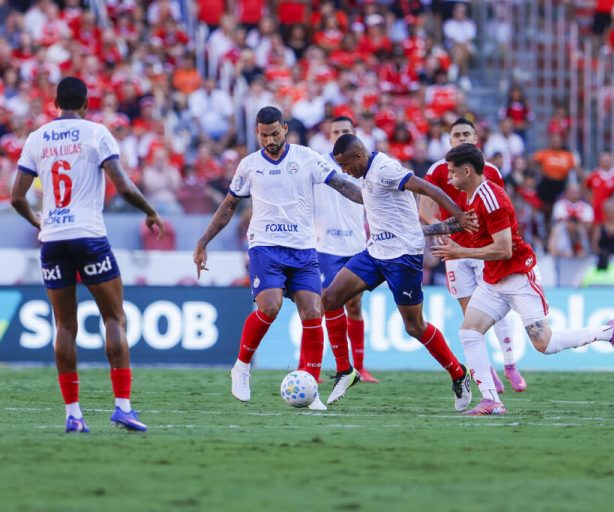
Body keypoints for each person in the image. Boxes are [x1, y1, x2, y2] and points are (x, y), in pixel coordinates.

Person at [433, 144, 614, 416]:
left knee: (546, 344)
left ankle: (608, 332)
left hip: (518, 275)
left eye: (452, 172)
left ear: (467, 171)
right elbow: (465, 228)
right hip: (493, 279)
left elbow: (504, 249)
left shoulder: (492, 198)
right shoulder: (472, 197)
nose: (448, 177)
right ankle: (492, 400)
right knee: (469, 332)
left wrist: (460, 252)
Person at [10, 77, 165, 433]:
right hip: (89, 236)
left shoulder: (37, 138)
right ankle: (122, 407)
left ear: (55, 103)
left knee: (64, 326)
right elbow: (123, 186)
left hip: (53, 239)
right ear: (85, 104)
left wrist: (39, 221)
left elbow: (16, 197)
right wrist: (150, 211)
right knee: (114, 318)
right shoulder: (96, 133)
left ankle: (73, 414)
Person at [193, 106, 367, 411]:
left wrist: (373, 200)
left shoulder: (307, 158)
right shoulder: (249, 165)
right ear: (257, 132)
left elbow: (342, 185)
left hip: (303, 249)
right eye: (263, 134)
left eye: (275, 133)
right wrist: (203, 241)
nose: (270, 140)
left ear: (284, 129)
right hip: (266, 247)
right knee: (270, 306)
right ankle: (241, 367)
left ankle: (311, 389)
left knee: (314, 312)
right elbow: (229, 206)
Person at [321, 133, 478, 410]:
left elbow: (426, 188)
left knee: (414, 327)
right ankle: (346, 370)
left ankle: (458, 373)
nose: (345, 170)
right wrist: (332, 180)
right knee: (331, 298)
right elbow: (363, 196)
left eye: (345, 165)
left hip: (403, 257)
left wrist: (458, 213)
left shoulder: (386, 169)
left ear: (358, 156)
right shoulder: (366, 175)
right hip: (374, 253)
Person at [420, 117, 527, 392]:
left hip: (483, 250)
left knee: (497, 308)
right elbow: (424, 208)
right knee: (471, 314)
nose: (462, 138)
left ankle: (510, 364)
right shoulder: (438, 170)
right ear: (450, 141)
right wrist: (440, 229)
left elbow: (501, 210)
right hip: (454, 251)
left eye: (467, 133)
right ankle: (488, 369)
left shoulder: (490, 170)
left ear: (476, 138)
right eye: (457, 135)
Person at [313, 116, 378, 383]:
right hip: (325, 244)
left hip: (355, 244)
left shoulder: (364, 165)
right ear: (330, 135)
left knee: (354, 304)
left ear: (354, 135)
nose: (340, 134)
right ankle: (310, 364)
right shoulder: (317, 163)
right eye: (336, 131)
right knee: (321, 302)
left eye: (345, 131)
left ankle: (359, 367)